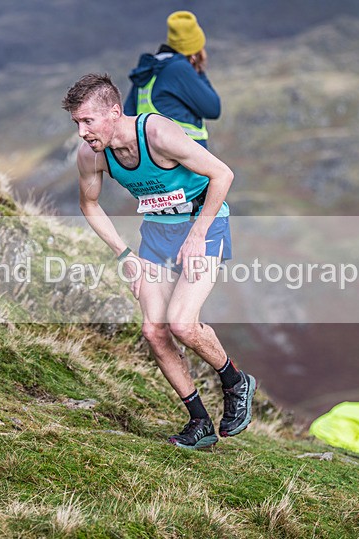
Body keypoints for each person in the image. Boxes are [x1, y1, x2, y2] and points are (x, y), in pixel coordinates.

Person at [62, 73, 255, 450]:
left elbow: (222, 174)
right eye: (77, 123)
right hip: (157, 233)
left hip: (204, 224)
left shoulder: (157, 134)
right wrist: (124, 254)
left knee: (182, 323)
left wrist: (198, 235)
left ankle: (235, 381)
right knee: (154, 331)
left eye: (88, 121)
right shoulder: (92, 155)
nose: (82, 132)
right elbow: (89, 204)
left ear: (114, 113)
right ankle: (199, 421)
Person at [124, 11, 220, 148]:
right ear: (194, 51)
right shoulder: (179, 69)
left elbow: (128, 116)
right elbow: (213, 108)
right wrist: (199, 69)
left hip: (149, 162)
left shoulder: (148, 69)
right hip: (183, 163)